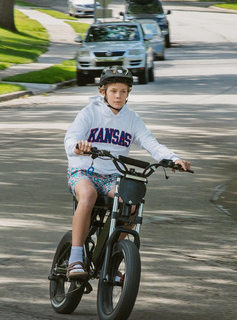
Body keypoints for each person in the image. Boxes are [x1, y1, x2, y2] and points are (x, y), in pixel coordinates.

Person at [63, 67, 189, 281]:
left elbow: (151, 143)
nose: (118, 96)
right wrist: (78, 146)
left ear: (129, 93)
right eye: (113, 91)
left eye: (123, 91)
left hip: (113, 177)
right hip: (84, 171)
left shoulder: (131, 119)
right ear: (103, 92)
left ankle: (111, 258)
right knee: (88, 195)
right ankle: (75, 259)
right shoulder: (89, 113)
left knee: (131, 204)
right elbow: (71, 138)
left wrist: (173, 158)